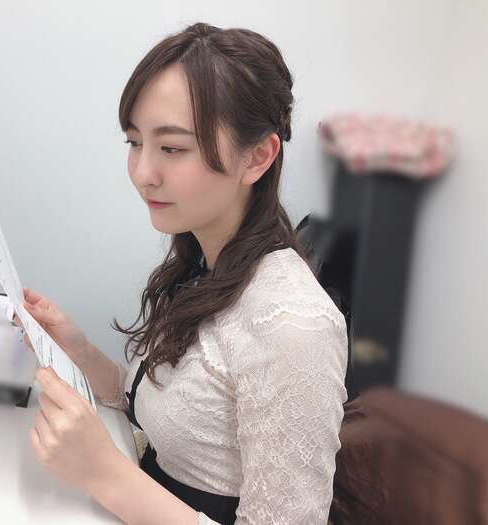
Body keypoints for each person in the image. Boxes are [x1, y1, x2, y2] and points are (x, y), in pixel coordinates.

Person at [18, 22, 348, 525]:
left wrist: (104, 474)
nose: (142, 173)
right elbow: (176, 416)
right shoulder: (203, 263)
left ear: (258, 156)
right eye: (134, 142)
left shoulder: (293, 325)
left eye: (172, 148)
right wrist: (77, 351)